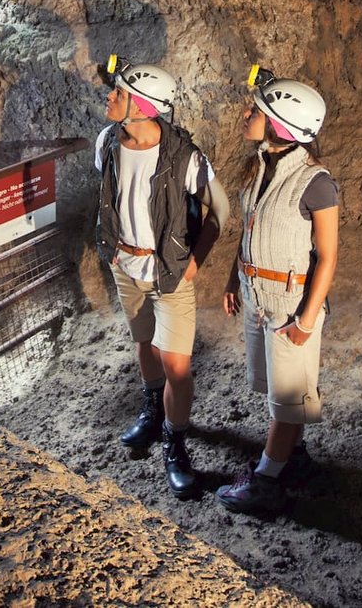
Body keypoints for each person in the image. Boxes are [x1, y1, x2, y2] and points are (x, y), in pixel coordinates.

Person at [95, 56, 227, 499]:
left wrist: (195, 262)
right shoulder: (107, 144)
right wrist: (116, 253)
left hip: (168, 273)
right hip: (127, 268)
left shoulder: (184, 157)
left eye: (119, 92)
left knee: (178, 367)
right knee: (144, 343)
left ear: (143, 105)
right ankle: (153, 409)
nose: (110, 97)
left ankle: (175, 440)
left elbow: (221, 212)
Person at [217, 70, 338, 515]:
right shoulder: (261, 168)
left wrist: (306, 321)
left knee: (288, 398)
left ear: (279, 123)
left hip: (289, 304)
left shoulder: (316, 182)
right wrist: (234, 279)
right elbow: (251, 230)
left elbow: (326, 257)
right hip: (258, 293)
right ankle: (292, 457)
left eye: (256, 110)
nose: (247, 114)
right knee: (273, 386)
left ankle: (267, 480)